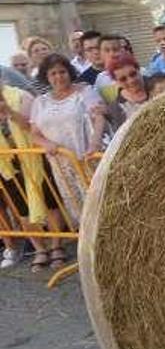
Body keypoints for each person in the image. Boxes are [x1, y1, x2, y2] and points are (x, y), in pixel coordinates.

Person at [29, 54, 105, 230]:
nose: (58, 77)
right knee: (78, 209)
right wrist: (47, 144)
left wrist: (94, 144)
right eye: (53, 73)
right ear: (46, 77)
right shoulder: (40, 102)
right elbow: (34, 134)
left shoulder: (85, 92)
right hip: (61, 165)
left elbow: (98, 118)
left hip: (87, 159)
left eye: (62, 72)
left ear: (69, 72)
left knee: (98, 206)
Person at [0, 82, 65, 272]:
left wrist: (9, 111)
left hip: (33, 157)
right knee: (21, 209)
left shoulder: (20, 96)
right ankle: (39, 249)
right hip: (8, 164)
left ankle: (56, 245)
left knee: (50, 201)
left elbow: (32, 126)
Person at [106, 54, 148, 132]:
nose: (131, 81)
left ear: (139, 70)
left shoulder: (158, 86)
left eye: (133, 74)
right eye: (123, 79)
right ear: (117, 82)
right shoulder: (116, 109)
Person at [94, 35, 126, 104]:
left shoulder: (138, 72)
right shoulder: (100, 80)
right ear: (100, 54)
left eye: (115, 49)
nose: (112, 54)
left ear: (122, 51)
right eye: (107, 50)